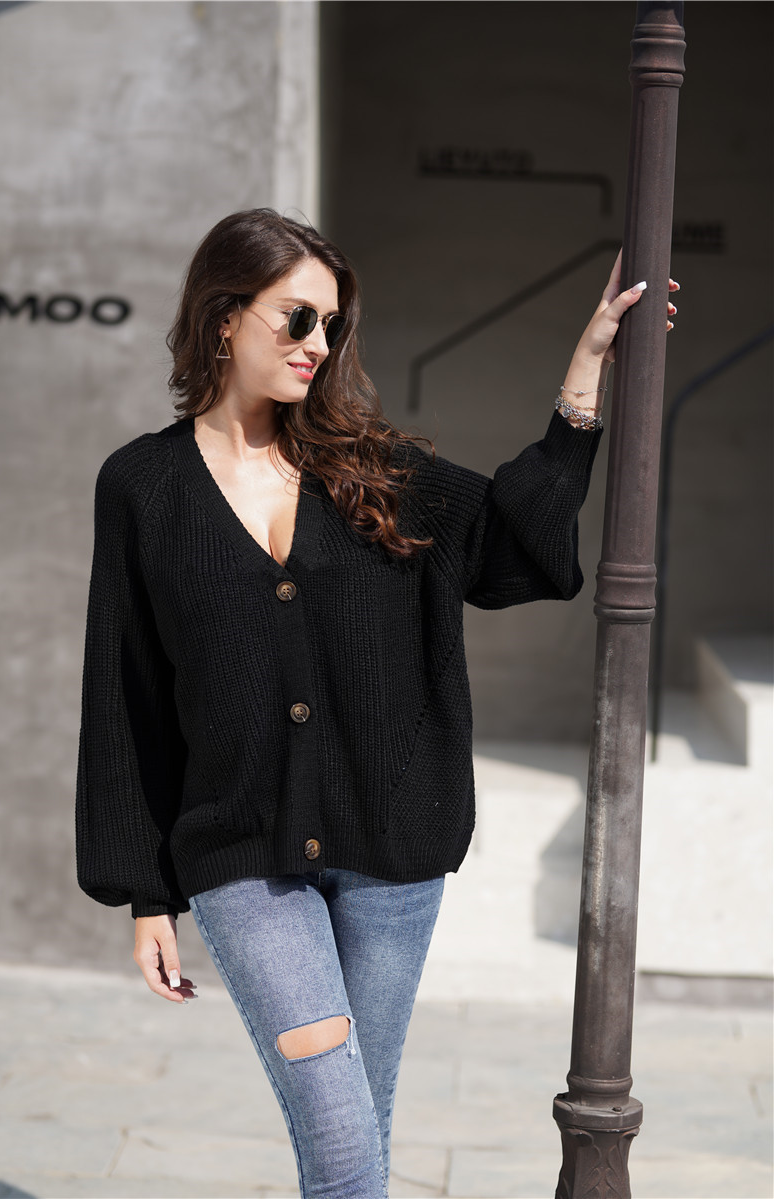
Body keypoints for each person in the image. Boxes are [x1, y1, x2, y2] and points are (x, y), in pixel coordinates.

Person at [75, 209, 678, 1199]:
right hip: (241, 852)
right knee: (345, 1144)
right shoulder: (142, 485)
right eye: (296, 317)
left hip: (392, 851)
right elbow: (125, 688)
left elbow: (511, 545)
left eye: (330, 324)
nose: (317, 343)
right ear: (224, 316)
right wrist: (145, 889)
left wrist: (582, 379)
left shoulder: (373, 471)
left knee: (357, 1131)